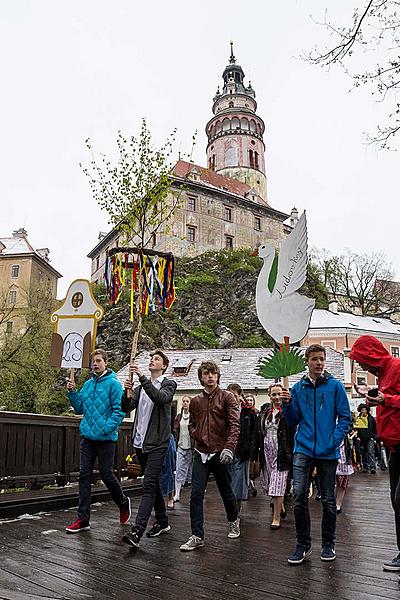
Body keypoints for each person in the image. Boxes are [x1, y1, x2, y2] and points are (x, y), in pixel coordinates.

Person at [282, 344, 351, 564]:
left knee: (328, 500)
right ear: (307, 362)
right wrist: (286, 405)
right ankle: (303, 544)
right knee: (299, 496)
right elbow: (293, 420)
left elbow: (345, 418)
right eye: (314, 359)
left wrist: (333, 441)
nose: (319, 363)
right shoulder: (297, 389)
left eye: (321, 359)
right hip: (303, 448)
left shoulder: (335, 387)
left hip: (327, 451)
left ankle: (328, 544)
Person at [349, 335, 400, 573]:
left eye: (361, 360)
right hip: (393, 448)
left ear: (371, 355)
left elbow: (392, 400)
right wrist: (373, 401)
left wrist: (385, 398)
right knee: (395, 501)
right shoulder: (382, 375)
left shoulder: (397, 367)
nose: (361, 366)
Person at [65, 349, 130, 533]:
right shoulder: (87, 385)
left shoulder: (114, 384)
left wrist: (105, 429)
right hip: (87, 437)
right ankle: (83, 519)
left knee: (106, 474)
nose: (95, 364)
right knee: (84, 476)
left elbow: (119, 411)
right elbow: (79, 409)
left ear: (106, 363)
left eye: (99, 360)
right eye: (93, 361)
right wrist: (73, 393)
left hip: (106, 438)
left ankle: (123, 503)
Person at [180, 360, 240, 551]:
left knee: (226, 492)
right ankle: (197, 535)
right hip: (201, 452)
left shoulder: (227, 397)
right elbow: (192, 424)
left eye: (213, 373)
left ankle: (233, 520)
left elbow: (234, 425)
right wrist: (195, 435)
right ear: (201, 377)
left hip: (221, 452)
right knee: (196, 494)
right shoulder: (196, 401)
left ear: (218, 376)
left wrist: (229, 448)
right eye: (206, 373)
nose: (210, 376)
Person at [121, 350, 177, 549]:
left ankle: (137, 531)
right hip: (140, 442)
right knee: (153, 485)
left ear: (164, 366)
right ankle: (162, 521)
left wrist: (142, 378)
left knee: (148, 484)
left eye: (156, 359)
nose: (152, 361)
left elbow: (160, 398)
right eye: (151, 358)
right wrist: (126, 392)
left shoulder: (169, 384)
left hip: (158, 443)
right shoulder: (141, 387)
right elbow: (127, 407)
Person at [259, 384, 294, 529]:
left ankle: (276, 518)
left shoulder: (288, 412)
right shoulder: (265, 413)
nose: (277, 397)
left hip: (282, 453)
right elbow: (259, 433)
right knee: (268, 485)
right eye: (274, 394)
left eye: (279, 394)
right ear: (270, 396)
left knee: (277, 485)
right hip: (267, 451)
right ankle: (281, 507)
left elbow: (292, 431)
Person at [229, 389, 258, 512]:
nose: (233, 398)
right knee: (230, 481)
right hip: (228, 450)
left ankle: (236, 509)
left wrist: (252, 451)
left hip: (242, 451)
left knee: (239, 482)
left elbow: (254, 433)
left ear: (240, 396)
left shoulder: (248, 413)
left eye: (235, 395)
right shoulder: (225, 411)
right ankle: (231, 508)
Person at [173, 396, 193, 502]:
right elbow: (175, 430)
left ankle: (198, 492)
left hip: (191, 448)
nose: (185, 403)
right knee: (179, 468)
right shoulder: (179, 417)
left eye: (187, 401)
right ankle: (177, 494)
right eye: (184, 401)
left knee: (191, 472)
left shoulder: (194, 417)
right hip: (180, 446)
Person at [335, 429, 355, 513]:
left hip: (344, 459)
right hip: (331, 458)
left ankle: (338, 504)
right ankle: (331, 503)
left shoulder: (345, 429)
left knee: (342, 484)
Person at [354, 403, 377, 473]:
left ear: (367, 410)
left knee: (371, 452)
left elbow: (375, 428)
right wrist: (357, 437)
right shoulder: (358, 419)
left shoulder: (371, 418)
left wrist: (374, 437)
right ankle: (365, 467)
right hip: (361, 439)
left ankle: (372, 467)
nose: (363, 411)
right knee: (363, 453)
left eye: (365, 410)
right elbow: (356, 429)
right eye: (362, 410)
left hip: (370, 438)